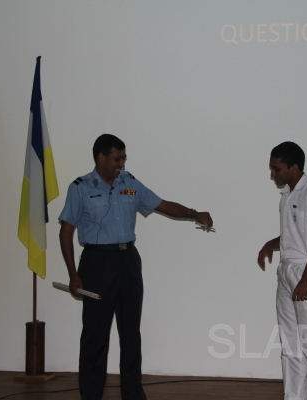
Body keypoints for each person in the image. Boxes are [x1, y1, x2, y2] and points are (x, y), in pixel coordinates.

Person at [59, 134, 213, 400]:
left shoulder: (129, 183)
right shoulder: (80, 188)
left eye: (124, 158)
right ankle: (91, 395)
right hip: (97, 263)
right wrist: (73, 274)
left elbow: (162, 204)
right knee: (96, 336)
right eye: (117, 159)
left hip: (128, 261)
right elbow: (65, 232)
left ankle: (132, 394)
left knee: (131, 333)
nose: (122, 164)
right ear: (101, 157)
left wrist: (193, 213)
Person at [257, 141, 307, 400]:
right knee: (290, 343)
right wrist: (270, 244)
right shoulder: (288, 195)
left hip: (306, 271)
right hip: (286, 271)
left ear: (294, 167)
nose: (272, 174)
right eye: (271, 169)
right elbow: (295, 235)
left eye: (276, 169)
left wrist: (306, 279)